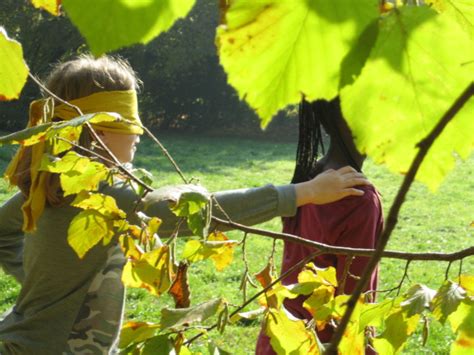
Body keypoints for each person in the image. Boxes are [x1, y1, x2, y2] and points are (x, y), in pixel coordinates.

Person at [0, 55, 371, 354]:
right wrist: (304, 192)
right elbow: (188, 213)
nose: (140, 135)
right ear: (98, 131)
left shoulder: (51, 184)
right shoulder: (101, 194)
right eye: (130, 122)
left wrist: (44, 285)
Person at [256, 99, 383, 354]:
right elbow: (352, 307)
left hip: (279, 337)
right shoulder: (359, 199)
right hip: (321, 344)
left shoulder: (311, 178)